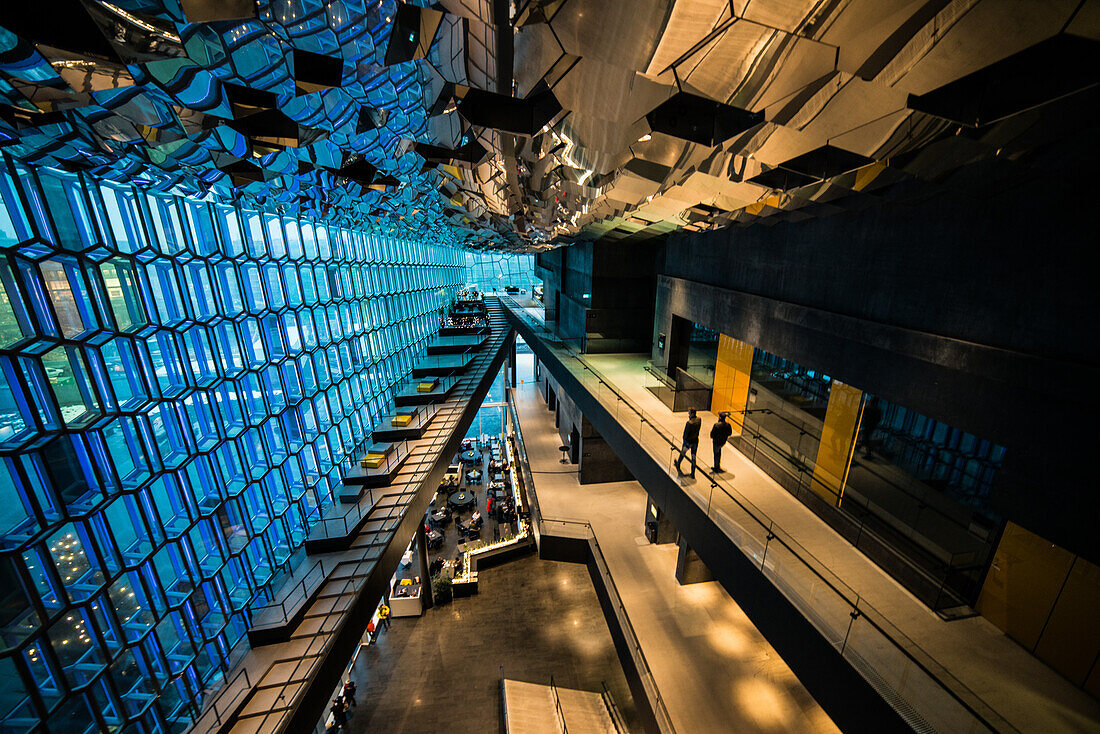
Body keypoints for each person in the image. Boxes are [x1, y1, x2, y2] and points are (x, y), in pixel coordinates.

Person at [674, 408, 701, 477]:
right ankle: (693, 473)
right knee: (693, 456)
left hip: (688, 442)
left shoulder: (689, 423)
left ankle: (678, 464)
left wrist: (685, 440)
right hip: (695, 441)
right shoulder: (699, 420)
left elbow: (685, 435)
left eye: (689, 413)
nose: (688, 415)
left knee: (683, 453)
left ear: (692, 414)